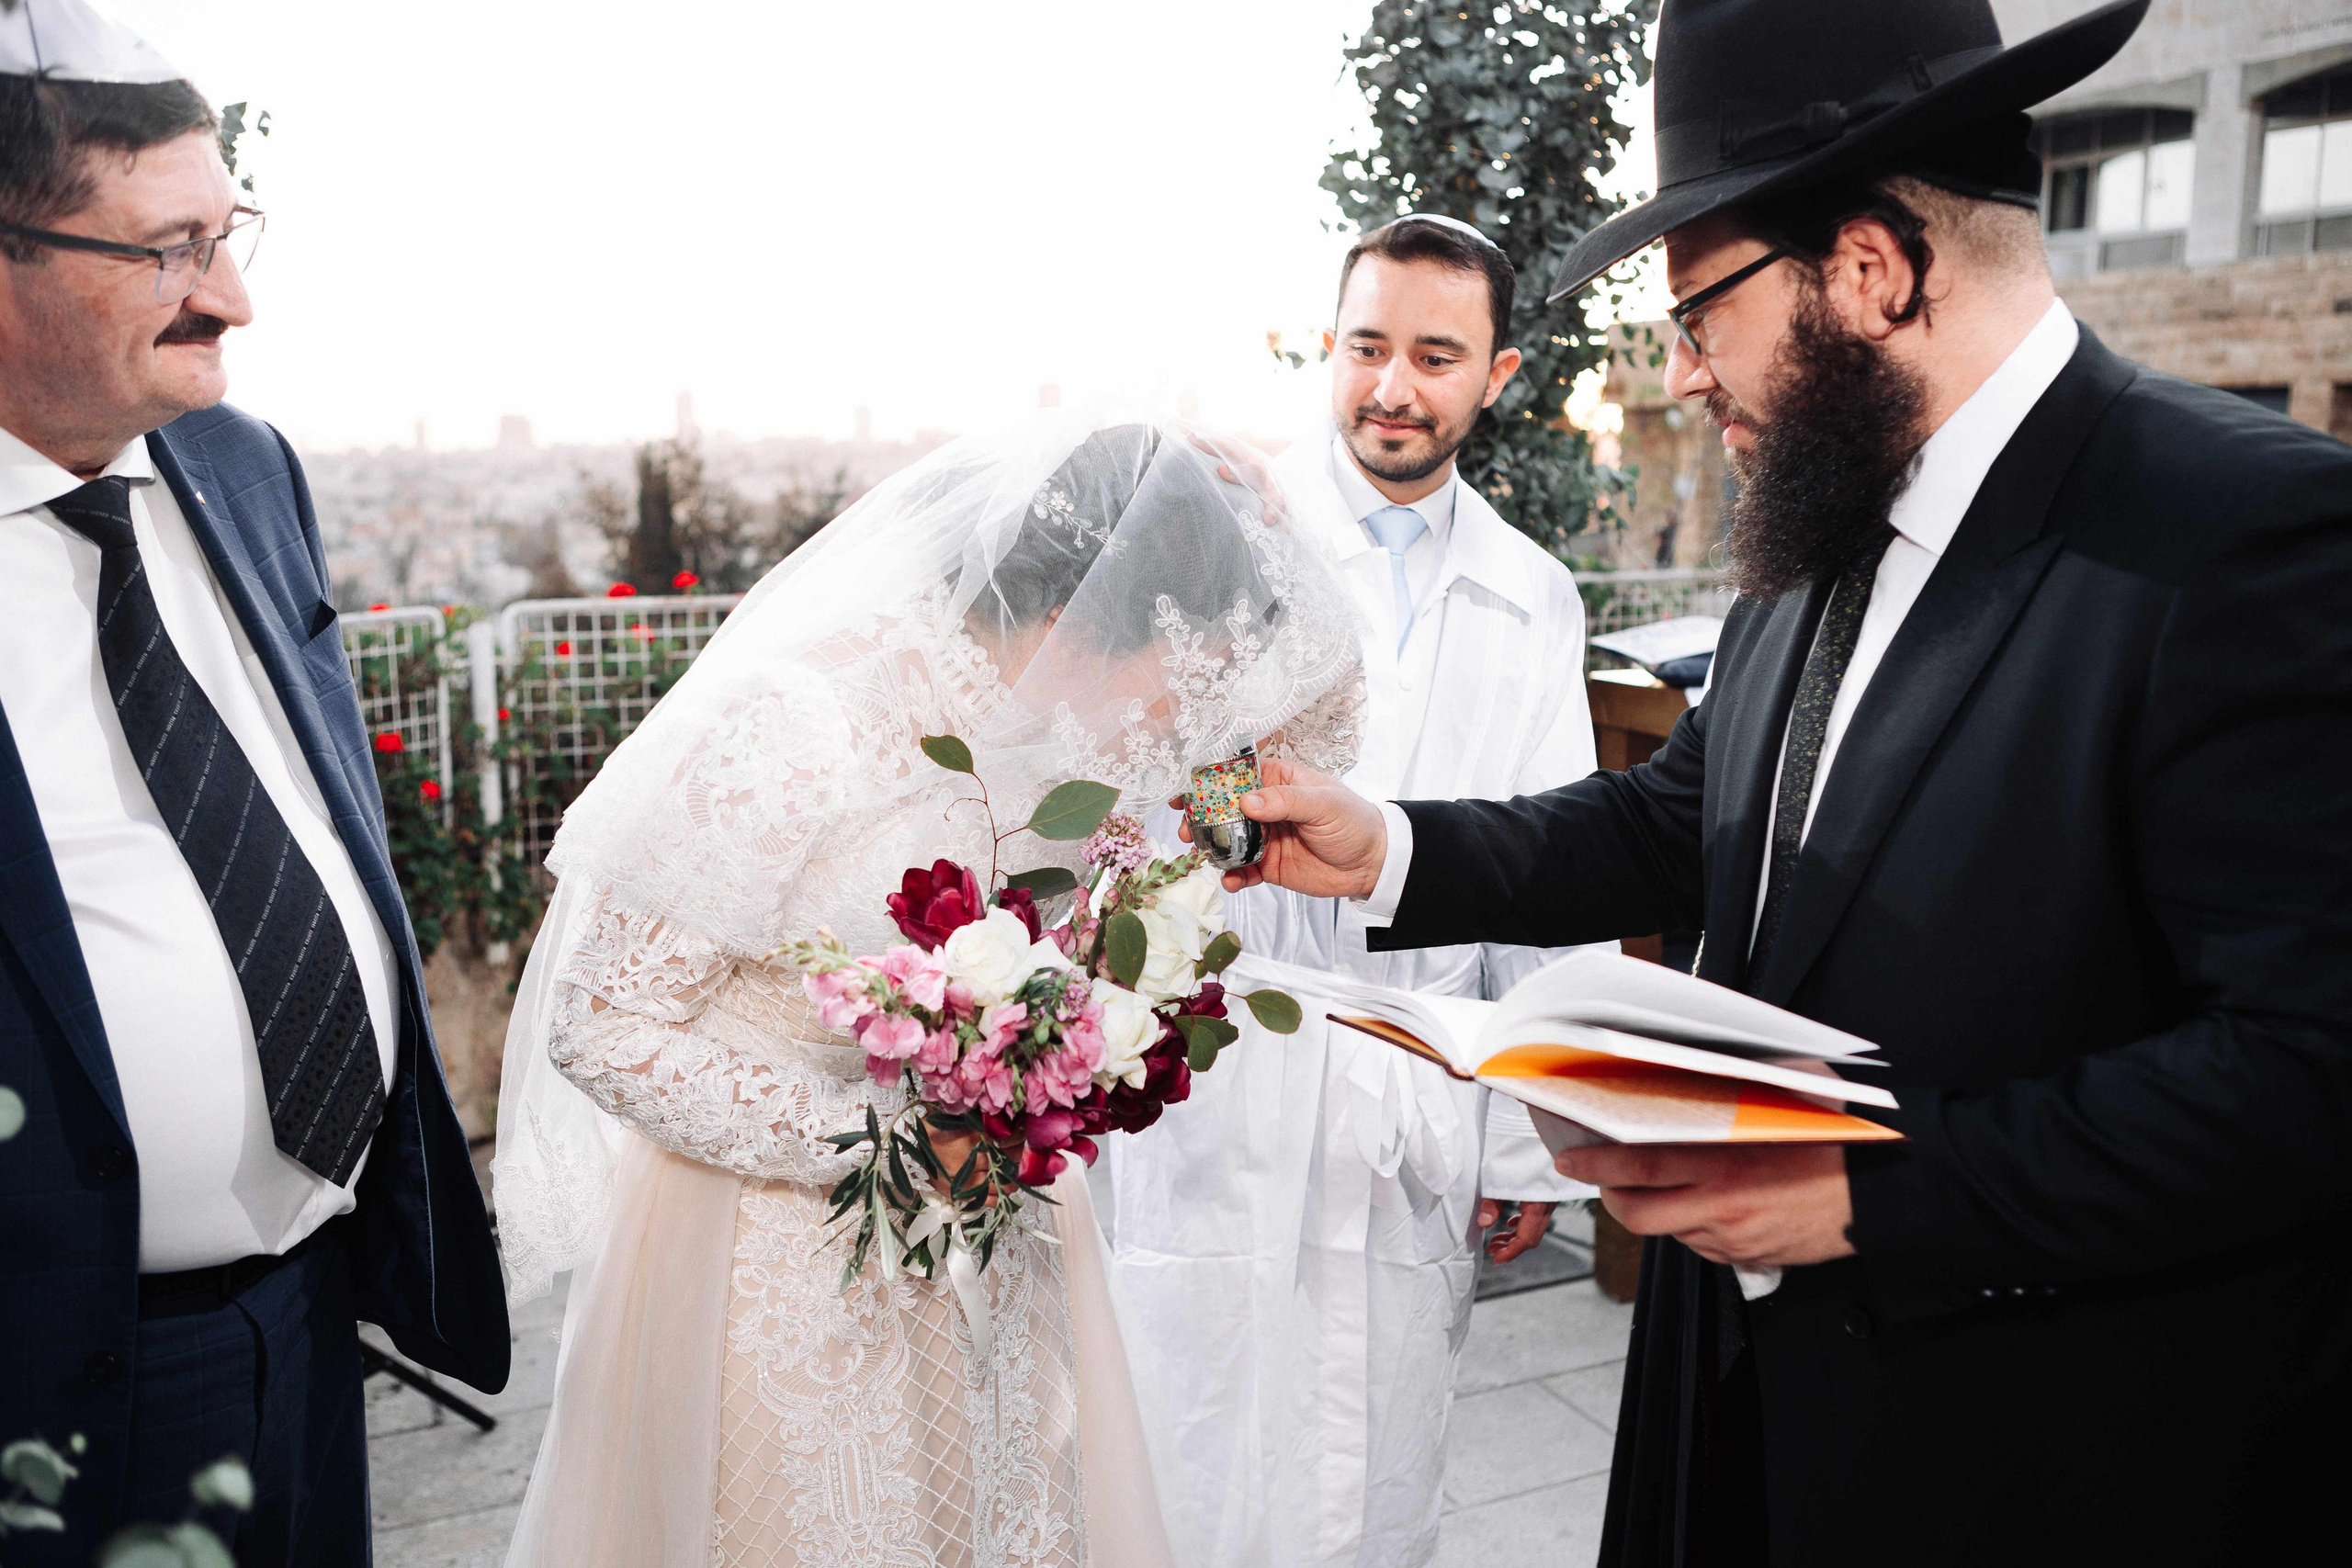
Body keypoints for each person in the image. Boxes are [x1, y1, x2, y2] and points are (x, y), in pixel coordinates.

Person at [1188, 0, 2352, 1562]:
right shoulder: (1815, 530)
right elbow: (1688, 824)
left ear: (1870, 270)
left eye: (1700, 314)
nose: (1683, 378)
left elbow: (2307, 1068)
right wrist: (1386, 847)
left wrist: (1875, 1192)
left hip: (2026, 1448)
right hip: (1730, 1409)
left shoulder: (2245, 537)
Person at [492, 415, 1366, 1568]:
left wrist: (1263, 521)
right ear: (1079, 621)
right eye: (1180, 659)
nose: (1189, 706)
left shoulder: (1075, 737)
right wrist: (883, 1141)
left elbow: (1322, 731)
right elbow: (596, 1021)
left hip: (995, 1227)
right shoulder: (803, 721)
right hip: (777, 1239)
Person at [0, 3, 508, 1562]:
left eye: (230, 234)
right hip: (57, 1380)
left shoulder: (243, 468)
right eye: (167, 249)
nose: (232, 297)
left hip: (317, 1308)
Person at [1094, 214, 1593, 1568]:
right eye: (1368, 346)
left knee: (1370, 1475)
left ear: (1497, 376)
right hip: (1210, 1076)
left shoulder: (1533, 595)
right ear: (1332, 343)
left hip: (1405, 1083)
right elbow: (1115, 786)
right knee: (1179, 1453)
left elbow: (1553, 868)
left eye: (1437, 355)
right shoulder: (1219, 537)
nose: (1393, 385)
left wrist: (1525, 1139)